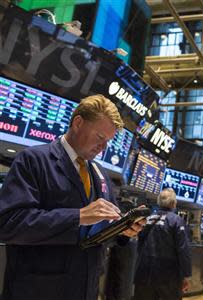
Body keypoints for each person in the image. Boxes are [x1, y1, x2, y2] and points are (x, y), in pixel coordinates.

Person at [0, 94, 145, 300]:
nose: (103, 148)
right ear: (78, 123)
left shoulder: (100, 173)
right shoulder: (34, 160)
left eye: (108, 141)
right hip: (38, 291)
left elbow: (98, 234)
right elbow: (8, 224)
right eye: (100, 137)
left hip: (85, 290)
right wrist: (77, 216)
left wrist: (122, 231)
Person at [134, 188, 191, 300]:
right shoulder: (176, 220)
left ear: (159, 202)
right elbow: (183, 249)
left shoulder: (148, 219)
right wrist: (186, 275)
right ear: (174, 204)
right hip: (168, 275)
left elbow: (139, 244)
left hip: (144, 272)